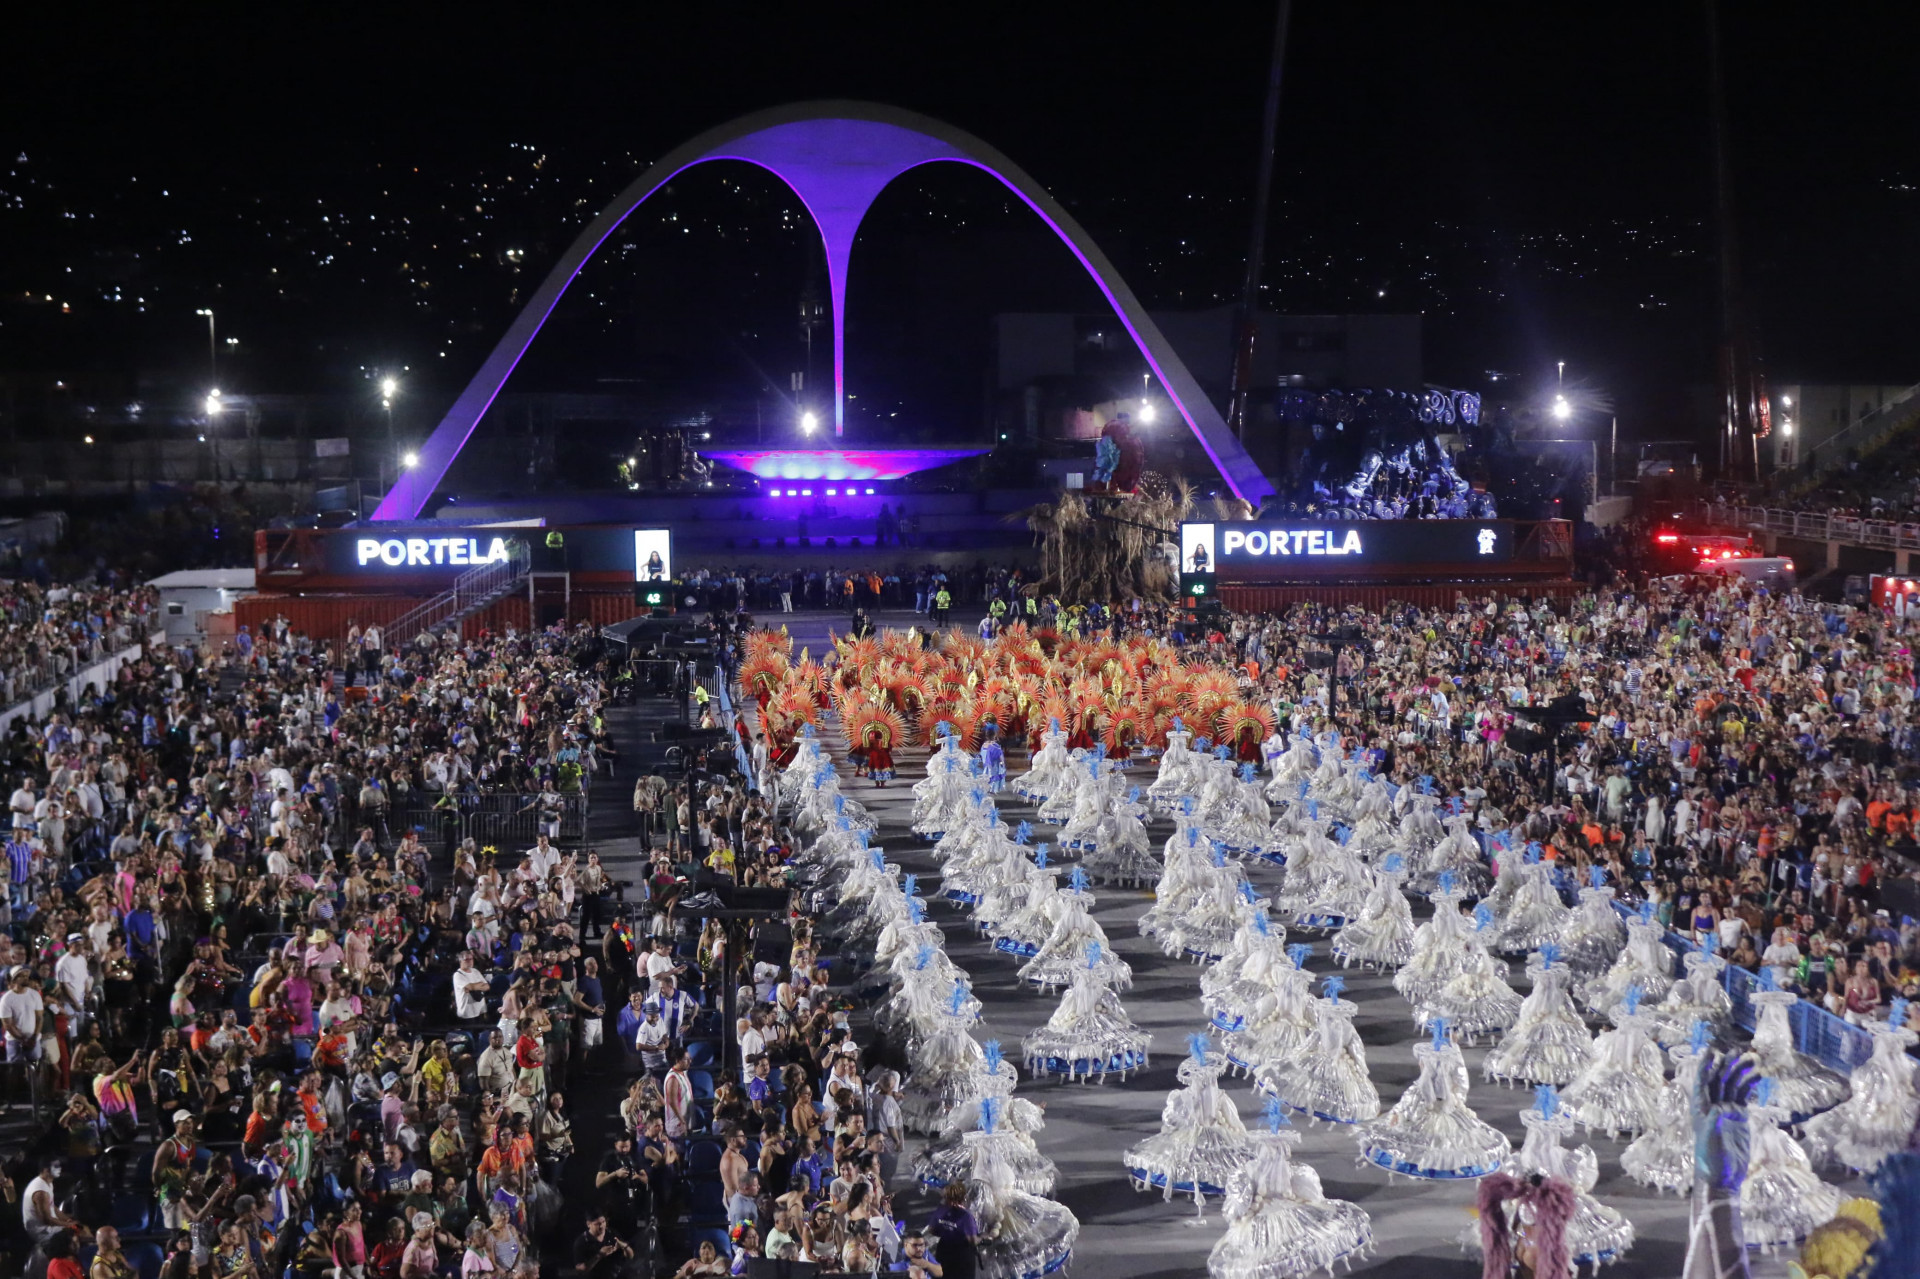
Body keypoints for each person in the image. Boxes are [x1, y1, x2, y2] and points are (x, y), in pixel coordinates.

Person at [922, 1183, 977, 1279]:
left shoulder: (941, 1210)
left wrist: (946, 1232)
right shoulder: (966, 1216)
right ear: (962, 1197)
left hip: (944, 1251)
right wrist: (984, 1238)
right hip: (961, 1256)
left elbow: (932, 1229)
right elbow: (972, 1240)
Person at [573, 1212, 634, 1279]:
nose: (602, 1226)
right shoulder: (582, 1242)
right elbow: (580, 1270)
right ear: (588, 1224)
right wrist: (599, 1255)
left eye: (603, 1222)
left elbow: (630, 1256)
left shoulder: (611, 1233)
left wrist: (624, 1246)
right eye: (597, 1224)